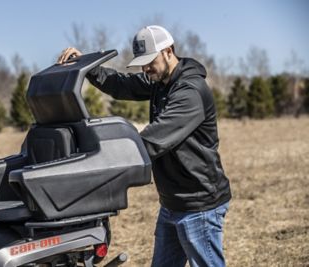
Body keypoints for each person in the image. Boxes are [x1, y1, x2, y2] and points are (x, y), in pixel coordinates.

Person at [58, 25, 232, 267]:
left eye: (150, 61)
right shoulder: (160, 81)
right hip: (172, 202)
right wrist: (87, 66)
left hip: (198, 205)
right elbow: (121, 84)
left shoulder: (189, 92)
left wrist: (99, 159)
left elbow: (151, 141)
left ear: (168, 51)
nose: (145, 68)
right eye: (142, 62)